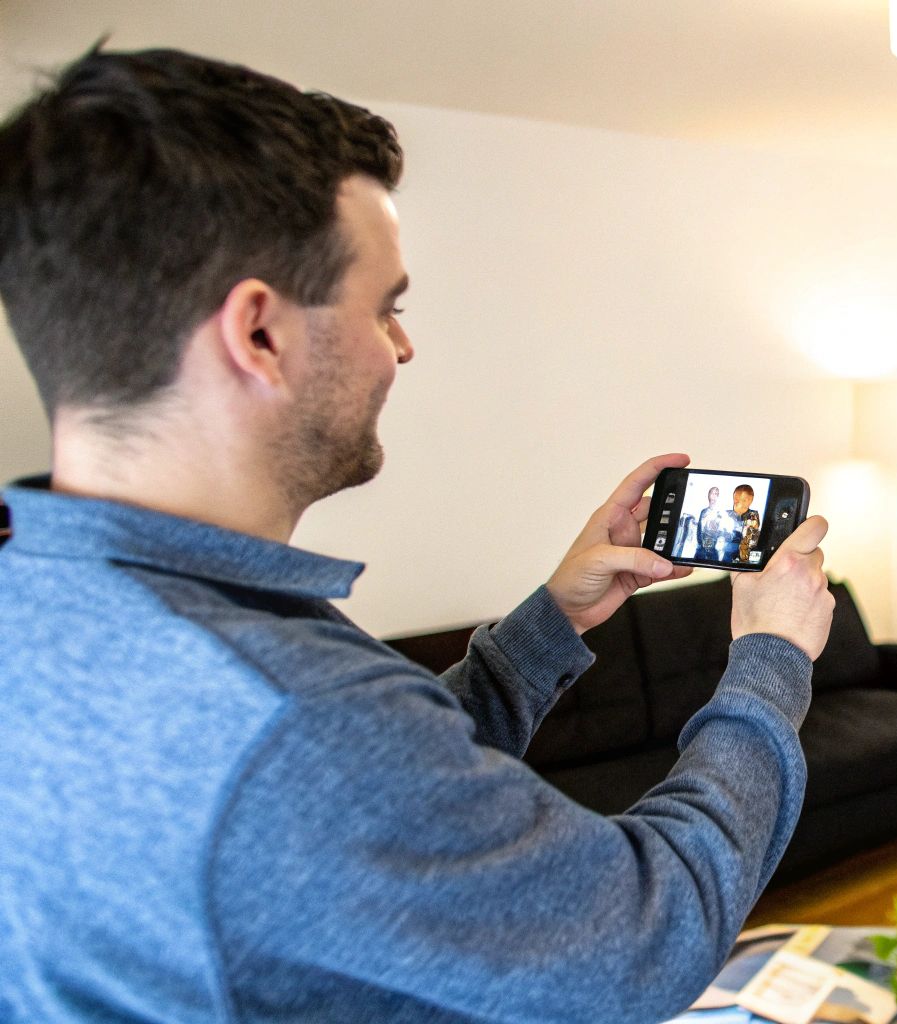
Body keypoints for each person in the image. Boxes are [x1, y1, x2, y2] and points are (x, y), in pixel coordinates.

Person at [0, 46, 835, 1023]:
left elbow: (375, 803)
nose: (404, 346)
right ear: (258, 334)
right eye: (385, 307)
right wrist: (770, 658)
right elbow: (649, 931)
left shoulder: (42, 590)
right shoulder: (290, 714)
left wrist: (552, 616)